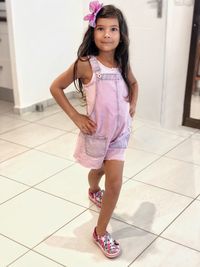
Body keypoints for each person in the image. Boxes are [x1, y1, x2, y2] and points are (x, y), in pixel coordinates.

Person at [50, 0, 138, 258]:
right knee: (96, 170)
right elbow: (56, 87)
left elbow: (134, 84)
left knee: (115, 181)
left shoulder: (122, 63)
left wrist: (132, 104)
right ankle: (93, 190)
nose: (107, 34)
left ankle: (100, 231)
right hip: (97, 135)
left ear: (121, 35)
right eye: (101, 28)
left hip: (120, 134)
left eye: (113, 29)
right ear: (93, 31)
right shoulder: (87, 63)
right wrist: (76, 116)